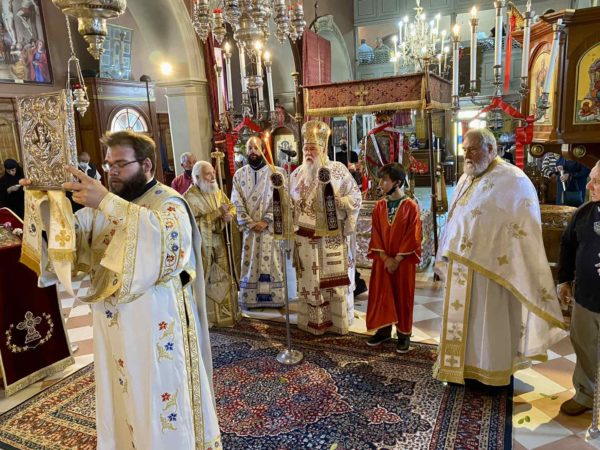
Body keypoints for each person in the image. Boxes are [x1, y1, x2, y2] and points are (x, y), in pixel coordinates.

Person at [20, 130, 221, 449]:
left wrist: (106, 202)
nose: (111, 171)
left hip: (154, 324)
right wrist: (46, 201)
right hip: (112, 324)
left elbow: (167, 246)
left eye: (120, 164)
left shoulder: (168, 202)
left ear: (146, 165)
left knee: (154, 397)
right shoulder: (104, 205)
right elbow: (71, 241)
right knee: (123, 396)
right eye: (108, 164)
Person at [434, 128, 566, 386]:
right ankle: (462, 369)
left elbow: (523, 226)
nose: (467, 155)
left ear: (491, 149)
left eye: (473, 149)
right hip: (462, 267)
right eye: (465, 150)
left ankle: (492, 375)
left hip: (493, 271)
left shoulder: (514, 179)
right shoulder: (466, 178)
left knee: (489, 323)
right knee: (467, 323)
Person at [290, 120, 362, 335]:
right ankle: (312, 322)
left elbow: (356, 197)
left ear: (322, 149)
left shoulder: (338, 170)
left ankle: (336, 323)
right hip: (304, 241)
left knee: (331, 283)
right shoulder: (296, 174)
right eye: (305, 148)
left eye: (312, 148)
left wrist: (341, 202)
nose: (308, 152)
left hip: (330, 238)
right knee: (309, 283)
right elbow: (290, 204)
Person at [557, 160, 600, 416]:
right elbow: (568, 245)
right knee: (584, 345)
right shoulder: (584, 212)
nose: (589, 185)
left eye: (596, 181)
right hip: (586, 297)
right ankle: (585, 394)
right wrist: (564, 280)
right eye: (591, 178)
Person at [366, 163, 421, 353]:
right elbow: (376, 232)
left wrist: (396, 259)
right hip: (383, 261)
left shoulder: (410, 206)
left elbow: (413, 235)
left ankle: (404, 335)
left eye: (384, 180)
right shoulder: (379, 206)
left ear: (397, 182)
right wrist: (384, 257)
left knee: (402, 296)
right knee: (382, 293)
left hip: (403, 263)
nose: (380, 184)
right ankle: (383, 331)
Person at [231, 136, 285, 309]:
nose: (252, 151)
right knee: (250, 262)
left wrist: (266, 220)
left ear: (263, 150)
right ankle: (250, 299)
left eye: (256, 148)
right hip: (250, 230)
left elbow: (282, 199)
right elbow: (235, 200)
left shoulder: (276, 173)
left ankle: (274, 299)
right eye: (249, 148)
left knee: (273, 261)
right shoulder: (239, 174)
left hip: (270, 229)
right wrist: (249, 223)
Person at [184, 160, 239, 327]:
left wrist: (229, 215)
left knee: (222, 276)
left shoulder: (216, 191)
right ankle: (209, 317)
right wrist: (217, 213)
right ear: (197, 177)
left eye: (213, 173)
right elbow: (192, 224)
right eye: (208, 174)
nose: (213, 176)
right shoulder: (189, 198)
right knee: (207, 279)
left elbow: (231, 206)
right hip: (203, 247)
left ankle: (227, 314)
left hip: (220, 241)